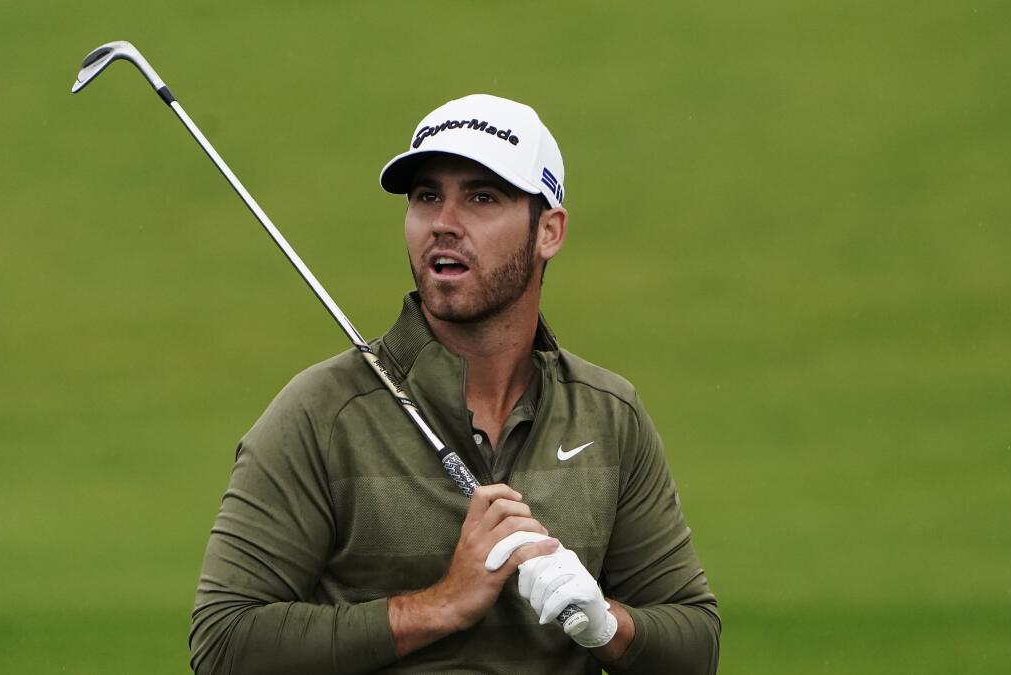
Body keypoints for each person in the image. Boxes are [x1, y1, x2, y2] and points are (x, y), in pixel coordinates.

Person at [189, 94, 720, 674]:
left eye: (482, 197)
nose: (444, 223)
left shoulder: (608, 415)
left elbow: (694, 646)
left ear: (549, 231)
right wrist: (438, 606)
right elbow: (223, 643)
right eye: (426, 196)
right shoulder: (323, 414)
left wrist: (606, 623)